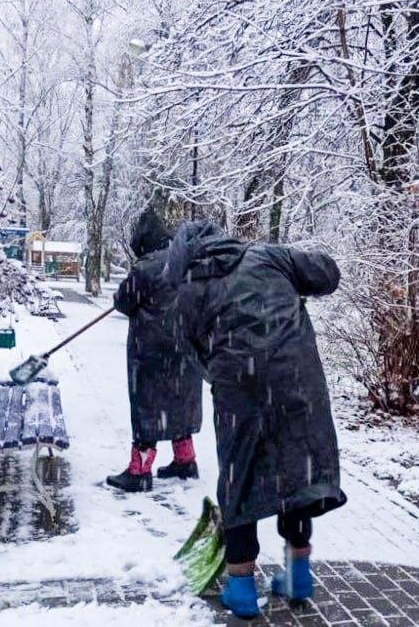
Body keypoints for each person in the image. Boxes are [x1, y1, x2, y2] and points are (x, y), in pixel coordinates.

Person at [165, 221, 346, 619]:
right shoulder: (267, 256)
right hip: (297, 383)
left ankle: (242, 587)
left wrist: (232, 373)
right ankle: (298, 576)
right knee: (298, 474)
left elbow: (193, 354)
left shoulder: (187, 291)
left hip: (239, 394)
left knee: (240, 479)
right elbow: (327, 274)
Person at [107, 208, 204, 493]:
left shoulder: (145, 268)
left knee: (147, 408)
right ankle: (185, 461)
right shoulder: (187, 263)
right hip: (186, 349)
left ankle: (139, 471)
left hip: (152, 352)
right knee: (180, 403)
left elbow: (123, 302)